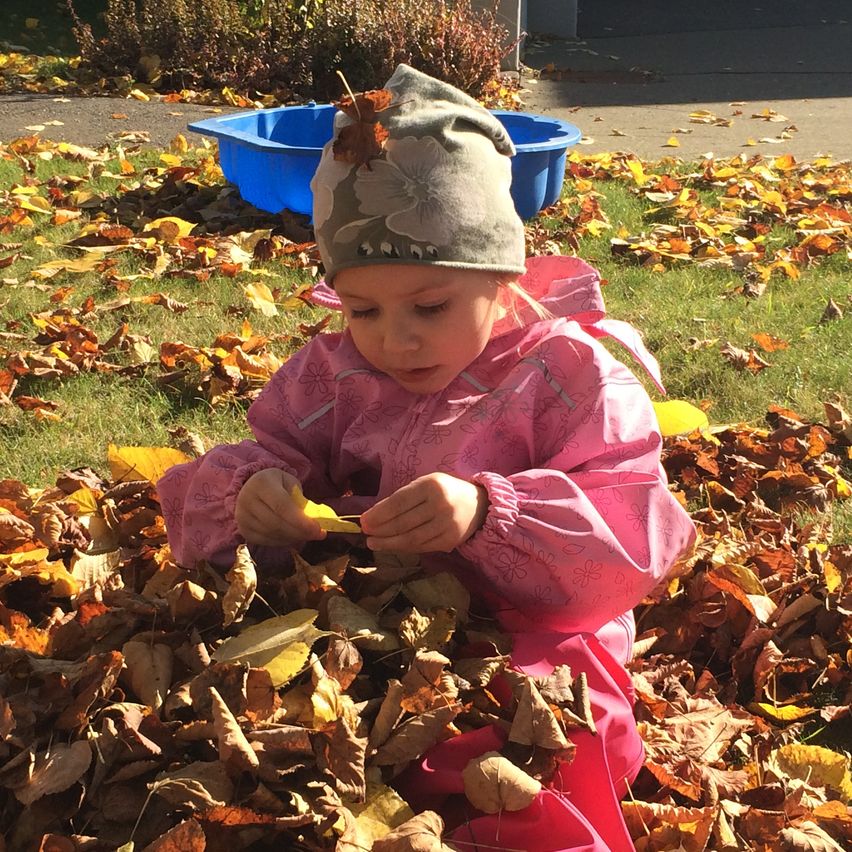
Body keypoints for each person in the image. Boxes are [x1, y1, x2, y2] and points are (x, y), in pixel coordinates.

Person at [158, 64, 696, 850]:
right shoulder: (331, 373)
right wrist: (255, 490)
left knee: (540, 731)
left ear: (501, 275)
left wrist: (488, 513)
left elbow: (632, 532)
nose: (394, 338)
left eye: (430, 306)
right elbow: (268, 447)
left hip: (534, 622)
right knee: (255, 718)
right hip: (369, 617)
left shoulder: (569, 377)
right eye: (363, 308)